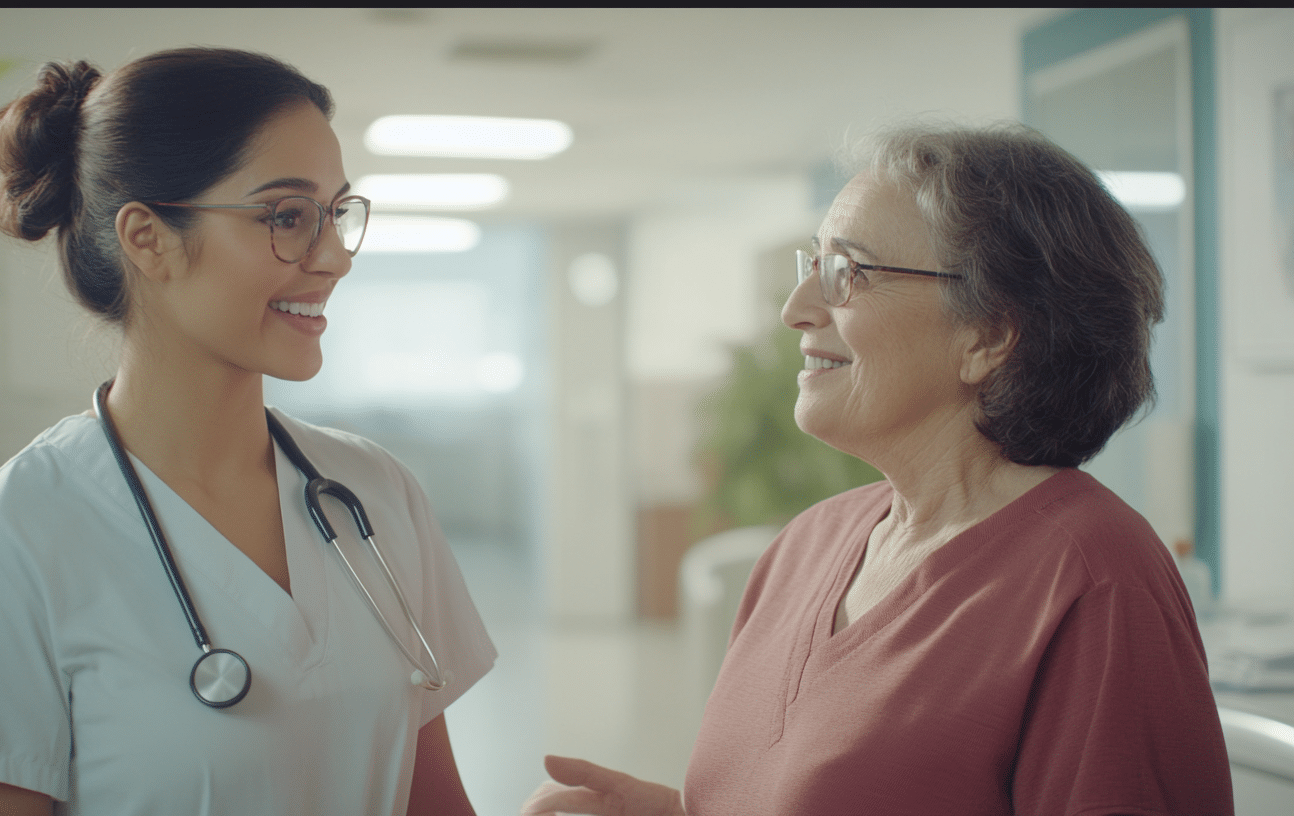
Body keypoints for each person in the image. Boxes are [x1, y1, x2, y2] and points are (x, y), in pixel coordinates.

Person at [523, 123, 1233, 815]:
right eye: (813, 266)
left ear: (987, 334)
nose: (796, 310)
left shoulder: (1096, 578)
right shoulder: (807, 546)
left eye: (846, 273)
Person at [0, 48, 495, 816]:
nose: (333, 258)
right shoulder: (1, 547)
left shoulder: (377, 494)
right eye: (287, 218)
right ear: (147, 238)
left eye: (336, 215)